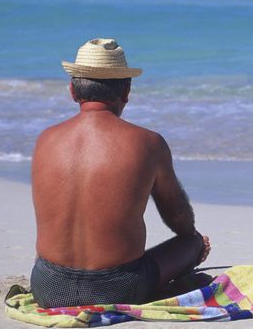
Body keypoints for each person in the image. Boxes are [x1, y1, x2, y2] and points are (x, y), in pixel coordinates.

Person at [30, 38, 210, 308]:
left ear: (72, 90)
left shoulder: (45, 140)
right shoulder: (148, 143)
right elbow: (178, 218)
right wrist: (192, 237)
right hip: (119, 288)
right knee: (190, 243)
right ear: (126, 91)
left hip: (48, 287)